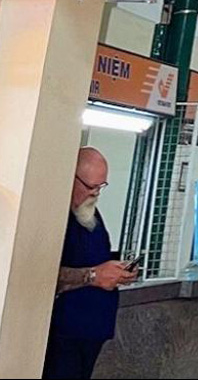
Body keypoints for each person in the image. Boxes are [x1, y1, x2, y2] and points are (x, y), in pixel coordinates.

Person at [45, 147, 136, 379]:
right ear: (71, 177)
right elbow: (42, 274)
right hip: (64, 332)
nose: (95, 193)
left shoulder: (90, 214)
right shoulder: (53, 216)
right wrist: (93, 276)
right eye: (90, 186)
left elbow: (96, 259)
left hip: (92, 330)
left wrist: (118, 270)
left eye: (101, 186)